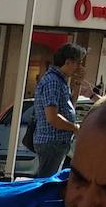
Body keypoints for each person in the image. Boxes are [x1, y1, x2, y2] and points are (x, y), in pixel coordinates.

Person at [32, 43, 85, 178]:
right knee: (46, 183)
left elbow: (69, 106)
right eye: (78, 63)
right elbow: (52, 117)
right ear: (68, 62)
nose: (80, 67)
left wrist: (77, 84)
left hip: (56, 143)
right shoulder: (53, 81)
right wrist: (75, 128)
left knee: (50, 181)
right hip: (51, 142)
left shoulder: (61, 81)